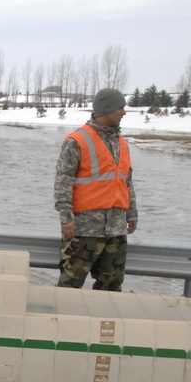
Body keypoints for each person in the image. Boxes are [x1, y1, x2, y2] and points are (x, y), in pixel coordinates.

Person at [53, 87, 138, 291]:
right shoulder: (78, 140)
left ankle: (101, 323)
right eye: (120, 108)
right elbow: (63, 180)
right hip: (84, 229)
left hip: (116, 229)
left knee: (112, 286)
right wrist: (66, 216)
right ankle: (63, 321)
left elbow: (127, 181)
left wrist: (131, 212)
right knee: (69, 286)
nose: (124, 112)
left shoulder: (122, 143)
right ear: (107, 109)